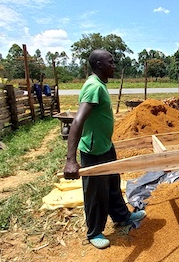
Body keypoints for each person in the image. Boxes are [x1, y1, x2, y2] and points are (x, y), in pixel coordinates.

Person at [62, 49, 146, 249]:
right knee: (95, 193)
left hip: (105, 146)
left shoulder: (99, 84)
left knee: (112, 185)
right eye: (111, 62)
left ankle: (122, 216)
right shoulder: (93, 87)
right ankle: (94, 232)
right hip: (94, 151)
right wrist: (71, 160)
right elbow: (77, 121)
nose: (114, 65)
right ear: (99, 65)